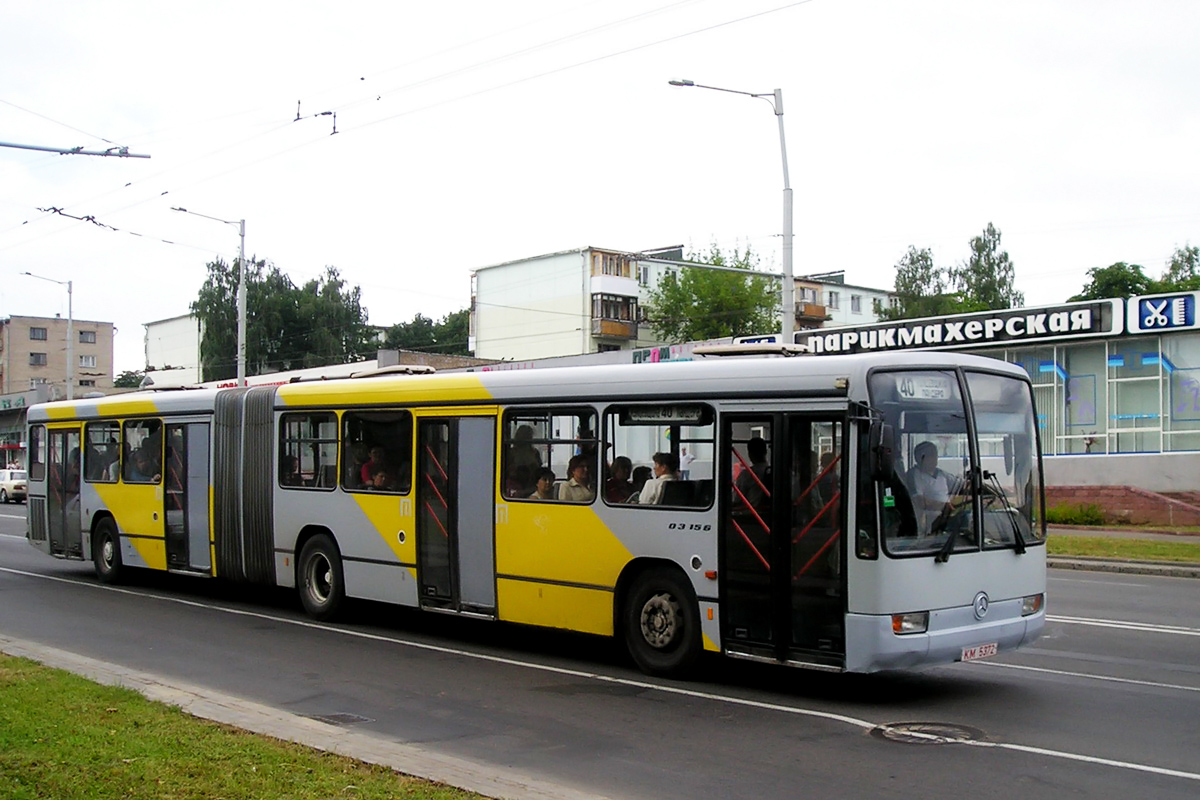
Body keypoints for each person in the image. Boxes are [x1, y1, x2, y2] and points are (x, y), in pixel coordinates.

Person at [907, 441, 957, 534]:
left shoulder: (942, 474)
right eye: (930, 455)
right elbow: (919, 501)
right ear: (919, 458)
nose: (935, 458)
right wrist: (942, 506)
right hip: (927, 526)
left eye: (935, 454)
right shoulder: (914, 475)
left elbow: (962, 485)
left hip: (945, 520)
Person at [734, 437, 770, 511]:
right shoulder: (774, 473)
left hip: (750, 516)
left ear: (750, 454)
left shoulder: (747, 474)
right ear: (765, 452)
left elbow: (737, 499)